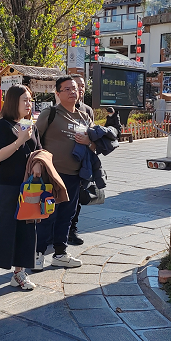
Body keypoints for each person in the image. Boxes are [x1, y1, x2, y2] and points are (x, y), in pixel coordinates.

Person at [0, 85, 42, 295]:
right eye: (25, 100)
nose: (29, 103)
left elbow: (38, 151)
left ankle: (19, 272)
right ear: (13, 101)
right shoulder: (4, 126)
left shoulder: (31, 125)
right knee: (5, 228)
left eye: (30, 100)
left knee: (27, 229)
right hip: (8, 183)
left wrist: (38, 163)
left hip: (29, 185)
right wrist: (20, 140)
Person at [33, 76, 93, 270]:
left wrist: (89, 142)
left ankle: (60, 253)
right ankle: (37, 254)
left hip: (74, 176)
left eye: (74, 88)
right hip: (51, 175)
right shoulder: (50, 114)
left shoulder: (85, 116)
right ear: (57, 94)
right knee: (46, 215)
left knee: (66, 216)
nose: (72, 92)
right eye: (66, 89)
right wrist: (37, 163)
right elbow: (35, 139)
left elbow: (95, 146)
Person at [67, 76, 95, 247]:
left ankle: (72, 231)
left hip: (82, 162)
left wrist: (90, 144)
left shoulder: (87, 110)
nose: (79, 89)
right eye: (76, 86)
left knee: (77, 201)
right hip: (63, 162)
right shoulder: (61, 109)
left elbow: (93, 136)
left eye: (82, 86)